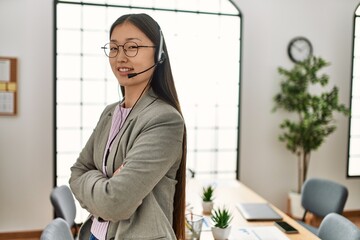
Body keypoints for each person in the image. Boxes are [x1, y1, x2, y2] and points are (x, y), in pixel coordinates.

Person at [69, 13, 187, 240]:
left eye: (132, 47)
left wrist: (97, 183)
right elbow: (76, 173)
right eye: (114, 48)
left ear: (158, 53)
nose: (120, 57)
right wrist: (107, 184)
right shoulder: (110, 113)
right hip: (94, 234)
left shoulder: (165, 120)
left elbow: (116, 203)